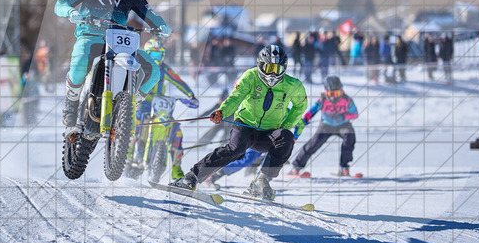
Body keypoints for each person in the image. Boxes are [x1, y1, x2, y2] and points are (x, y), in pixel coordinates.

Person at [170, 45, 308, 200]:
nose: (272, 73)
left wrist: (285, 126)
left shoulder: (293, 85)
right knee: (236, 149)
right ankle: (192, 176)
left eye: (277, 69)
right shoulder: (250, 76)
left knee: (286, 137)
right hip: (246, 125)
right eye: (269, 68)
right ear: (260, 64)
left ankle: (262, 180)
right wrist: (222, 112)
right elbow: (236, 97)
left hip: (268, 133)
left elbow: (300, 106)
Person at [54, 0, 171, 127]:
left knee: (153, 71)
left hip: (119, 42)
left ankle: (129, 107)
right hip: (91, 36)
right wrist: (71, 12)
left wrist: (161, 25)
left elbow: (149, 13)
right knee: (79, 61)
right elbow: (60, 4)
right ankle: (71, 104)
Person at [129, 38, 199, 179]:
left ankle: (176, 168)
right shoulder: (138, 66)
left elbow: (178, 81)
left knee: (176, 130)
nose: (156, 59)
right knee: (134, 124)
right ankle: (128, 156)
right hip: (142, 103)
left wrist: (190, 95)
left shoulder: (165, 69)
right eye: (152, 55)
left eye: (159, 55)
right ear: (146, 54)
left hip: (159, 104)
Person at [287, 76, 359, 177]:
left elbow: (355, 114)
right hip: (326, 125)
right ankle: (296, 167)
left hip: (343, 124)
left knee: (349, 137)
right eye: (331, 94)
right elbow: (312, 111)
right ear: (326, 92)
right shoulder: (323, 100)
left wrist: (343, 116)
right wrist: (305, 120)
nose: (334, 97)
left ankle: (344, 167)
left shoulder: (347, 100)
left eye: (337, 93)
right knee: (313, 144)